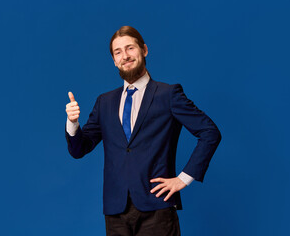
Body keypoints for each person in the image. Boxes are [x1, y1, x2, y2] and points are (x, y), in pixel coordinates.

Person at [65, 26, 221, 236]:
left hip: (157, 209)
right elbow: (79, 149)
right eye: (118, 52)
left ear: (144, 50)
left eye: (130, 48)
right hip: (115, 211)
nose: (125, 56)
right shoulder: (105, 102)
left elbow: (209, 132)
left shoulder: (168, 94)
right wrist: (72, 122)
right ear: (113, 60)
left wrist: (184, 178)